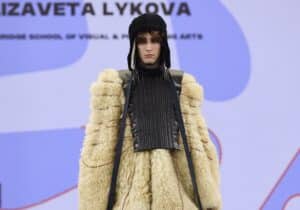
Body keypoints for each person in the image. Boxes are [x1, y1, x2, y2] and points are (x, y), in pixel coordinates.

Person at [78, 13, 222, 210]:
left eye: (154, 40)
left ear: (163, 44)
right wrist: (93, 204)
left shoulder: (181, 85)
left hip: (178, 198)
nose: (148, 47)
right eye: (141, 41)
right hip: (130, 198)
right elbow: (100, 150)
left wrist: (209, 201)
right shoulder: (115, 86)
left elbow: (198, 147)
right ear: (133, 45)